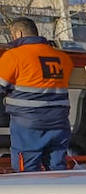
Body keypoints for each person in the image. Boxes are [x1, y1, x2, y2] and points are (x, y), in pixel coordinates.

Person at [0, 17, 74, 172]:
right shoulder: (63, 58)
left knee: (27, 173)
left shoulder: (14, 56)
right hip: (59, 123)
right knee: (57, 169)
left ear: (18, 33)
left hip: (28, 125)